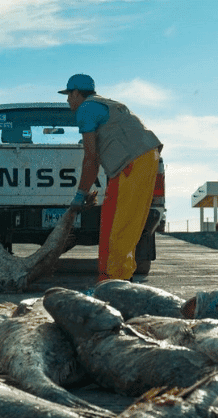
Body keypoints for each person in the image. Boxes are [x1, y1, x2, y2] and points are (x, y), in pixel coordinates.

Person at [59, 74, 163, 282]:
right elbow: (96, 158)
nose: (68, 100)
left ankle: (115, 281)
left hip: (133, 163)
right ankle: (110, 277)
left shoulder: (86, 109)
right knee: (113, 218)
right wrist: (85, 190)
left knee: (121, 224)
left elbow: (90, 158)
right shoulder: (106, 104)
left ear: (77, 93)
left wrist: (80, 194)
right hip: (142, 158)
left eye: (69, 94)